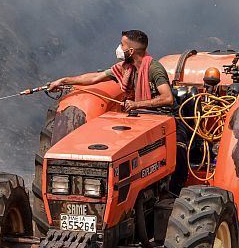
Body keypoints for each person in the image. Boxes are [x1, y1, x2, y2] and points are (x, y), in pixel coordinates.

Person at [44, 29, 188, 192]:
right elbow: (94, 78)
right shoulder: (126, 68)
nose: (119, 48)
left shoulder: (154, 69)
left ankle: (176, 190)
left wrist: (136, 104)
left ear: (131, 51)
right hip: (140, 117)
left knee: (178, 147)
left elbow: (167, 98)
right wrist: (63, 81)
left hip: (165, 117)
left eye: (122, 44)